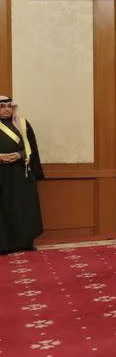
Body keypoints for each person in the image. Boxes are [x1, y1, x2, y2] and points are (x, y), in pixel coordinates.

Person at [0, 96, 44, 255]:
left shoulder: (23, 124)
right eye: (2, 106)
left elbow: (32, 149)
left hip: (21, 173)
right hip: (1, 175)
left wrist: (19, 155)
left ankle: (24, 242)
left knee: (23, 207)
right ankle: (3, 245)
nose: (6, 109)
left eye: (9, 106)